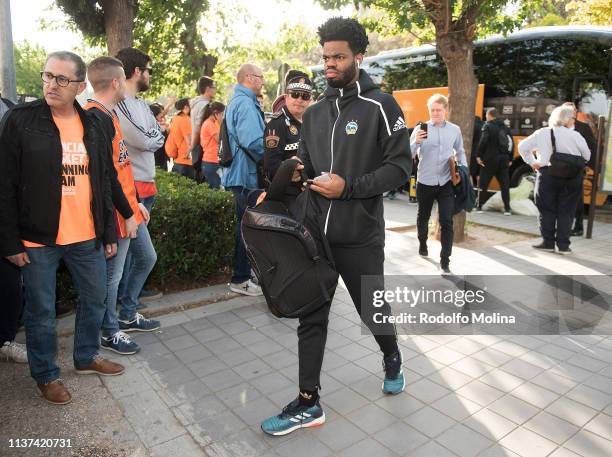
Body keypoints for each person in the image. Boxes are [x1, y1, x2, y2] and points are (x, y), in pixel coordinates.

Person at [260, 17, 412, 436]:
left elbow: (400, 167)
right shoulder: (314, 113)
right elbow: (309, 170)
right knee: (312, 315)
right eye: (325, 56)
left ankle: (392, 353)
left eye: (338, 56)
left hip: (359, 235)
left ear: (358, 58)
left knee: (372, 309)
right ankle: (309, 400)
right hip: (314, 234)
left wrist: (349, 188)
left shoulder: (381, 105)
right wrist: (287, 182)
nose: (329, 63)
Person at [0, 51, 124, 405]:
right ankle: (46, 375)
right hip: (37, 240)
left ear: (80, 86)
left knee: (96, 298)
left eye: (61, 79)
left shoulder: (94, 124)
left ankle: (85, 357)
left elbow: (103, 179)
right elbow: (4, 185)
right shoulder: (20, 120)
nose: (51, 85)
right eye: (48, 76)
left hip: (87, 236)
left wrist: (108, 232)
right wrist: (9, 240)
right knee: (41, 312)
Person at [85, 56, 159, 354]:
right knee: (111, 276)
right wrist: (127, 211)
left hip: (129, 207)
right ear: (116, 82)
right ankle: (109, 331)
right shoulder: (95, 117)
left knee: (146, 258)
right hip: (117, 214)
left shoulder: (108, 114)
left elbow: (121, 168)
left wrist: (136, 203)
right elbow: (104, 177)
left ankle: (126, 314)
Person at [115, 47, 164, 304]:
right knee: (138, 255)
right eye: (149, 70)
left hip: (147, 185)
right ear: (137, 71)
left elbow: (156, 136)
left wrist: (153, 137)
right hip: (131, 187)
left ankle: (126, 305)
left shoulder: (142, 104)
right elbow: (144, 139)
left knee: (135, 255)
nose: (150, 75)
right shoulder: (120, 104)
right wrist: (153, 137)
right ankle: (125, 308)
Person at [519, 105, 591, 254]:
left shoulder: (542, 133)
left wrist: (533, 163)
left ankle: (548, 243)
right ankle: (564, 246)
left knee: (546, 210)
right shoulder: (576, 136)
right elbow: (587, 156)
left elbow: (522, 147)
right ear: (566, 119)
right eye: (572, 117)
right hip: (572, 177)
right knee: (567, 211)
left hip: (547, 175)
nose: (573, 120)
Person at [221, 63, 266, 297]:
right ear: (250, 78)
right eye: (261, 77)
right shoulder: (246, 104)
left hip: (239, 174)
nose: (263, 81)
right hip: (246, 175)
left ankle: (245, 275)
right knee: (246, 229)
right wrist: (272, 159)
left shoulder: (237, 101)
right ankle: (240, 278)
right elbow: (254, 142)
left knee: (245, 226)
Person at [410, 94, 467, 275]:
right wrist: (415, 142)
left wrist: (463, 169)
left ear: (445, 110)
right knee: (423, 217)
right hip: (425, 181)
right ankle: (422, 243)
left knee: (447, 221)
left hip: (445, 183)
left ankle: (445, 261)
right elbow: (407, 153)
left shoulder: (454, 130)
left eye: (438, 110)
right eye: (432, 110)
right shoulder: (421, 128)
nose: (435, 113)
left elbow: (460, 150)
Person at [263, 72, 312, 183]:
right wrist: (289, 172)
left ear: (309, 100)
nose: (299, 100)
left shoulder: (311, 122)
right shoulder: (276, 124)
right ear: (286, 97)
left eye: (305, 96)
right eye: (295, 94)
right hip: (288, 191)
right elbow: (271, 164)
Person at [562, 102, 597, 237]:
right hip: (560, 167)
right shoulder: (559, 127)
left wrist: (588, 165)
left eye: (573, 111)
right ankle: (563, 225)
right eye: (568, 111)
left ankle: (578, 227)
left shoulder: (583, 127)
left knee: (577, 198)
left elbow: (592, 147)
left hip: (576, 167)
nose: (572, 113)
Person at [475, 107, 513, 215]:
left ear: (490, 115)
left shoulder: (488, 126)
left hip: (490, 159)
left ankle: (479, 206)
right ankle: (507, 208)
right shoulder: (506, 127)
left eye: (486, 115)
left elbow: (483, 141)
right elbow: (511, 143)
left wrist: (478, 155)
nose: (486, 117)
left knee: (483, 183)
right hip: (504, 160)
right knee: (505, 185)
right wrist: (510, 158)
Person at [190, 76, 216, 179]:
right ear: (208, 89)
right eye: (214, 87)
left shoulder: (195, 103)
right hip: (202, 146)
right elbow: (197, 127)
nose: (215, 90)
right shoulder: (205, 105)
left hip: (196, 145)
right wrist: (192, 145)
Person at [166, 98, 195, 179]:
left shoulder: (176, 118)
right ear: (186, 107)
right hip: (186, 162)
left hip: (178, 160)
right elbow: (189, 142)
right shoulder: (185, 120)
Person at [199, 101, 225, 189]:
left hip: (210, 161)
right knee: (216, 189)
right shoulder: (210, 124)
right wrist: (221, 123)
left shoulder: (209, 123)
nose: (223, 116)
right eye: (222, 114)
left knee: (215, 189)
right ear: (216, 114)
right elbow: (220, 141)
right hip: (212, 161)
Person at [150, 102, 170, 171]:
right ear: (155, 116)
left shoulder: (159, 125)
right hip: (157, 160)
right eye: (161, 116)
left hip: (162, 158)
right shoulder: (154, 127)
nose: (163, 118)